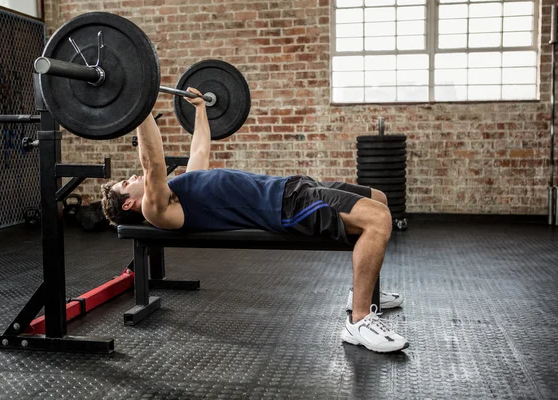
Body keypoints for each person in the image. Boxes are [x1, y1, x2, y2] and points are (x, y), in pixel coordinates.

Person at [101, 88, 409, 353]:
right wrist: (140, 108)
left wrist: (200, 110)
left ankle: (362, 289)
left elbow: (199, 148)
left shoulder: (180, 186)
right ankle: (358, 321)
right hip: (283, 207)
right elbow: (152, 162)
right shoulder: (157, 209)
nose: (131, 177)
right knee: (377, 219)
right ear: (129, 203)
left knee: (379, 198)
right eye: (125, 184)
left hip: (292, 187)